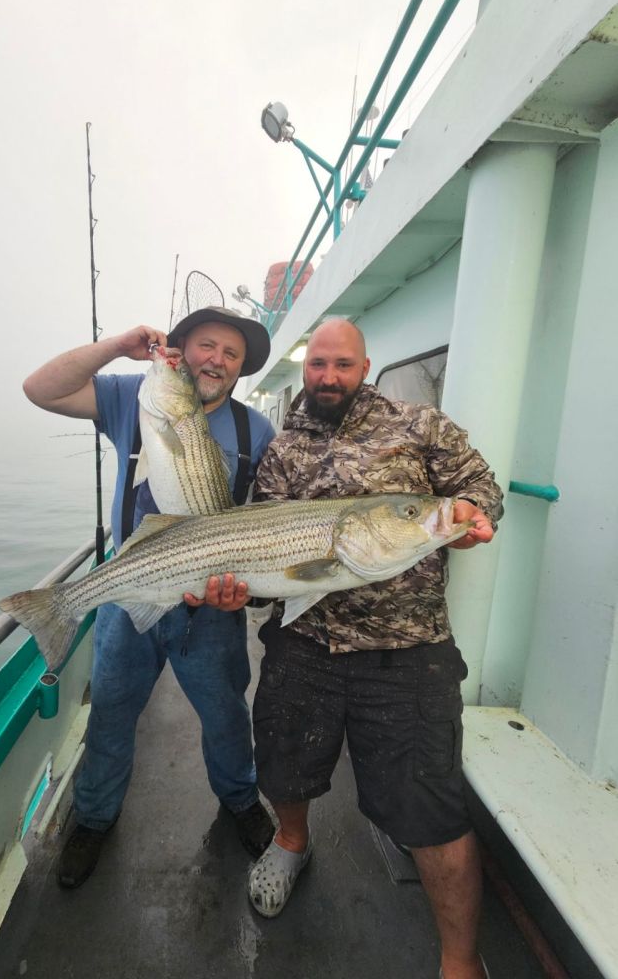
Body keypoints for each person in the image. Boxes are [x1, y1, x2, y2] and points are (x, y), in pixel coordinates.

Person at [197, 319, 502, 979]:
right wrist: (236, 592)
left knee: (430, 805)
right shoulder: (282, 451)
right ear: (305, 371)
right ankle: (292, 841)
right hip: (304, 644)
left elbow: (479, 485)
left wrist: (471, 518)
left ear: (365, 366)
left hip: (408, 650)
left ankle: (460, 962)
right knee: (283, 763)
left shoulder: (418, 425)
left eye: (342, 364)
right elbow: (264, 570)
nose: (328, 376)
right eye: (318, 365)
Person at [23, 306, 277, 888]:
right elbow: (41, 389)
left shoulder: (255, 430)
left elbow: (261, 523)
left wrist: (247, 592)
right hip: (130, 594)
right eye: (206, 346)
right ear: (180, 351)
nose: (216, 360)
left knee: (227, 717)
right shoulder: (131, 398)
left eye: (231, 354)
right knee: (112, 713)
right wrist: (116, 345)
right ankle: (93, 819)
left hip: (211, 608)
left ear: (240, 369)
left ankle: (240, 800)